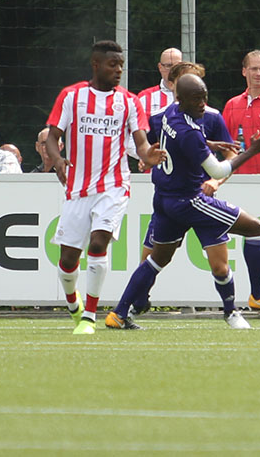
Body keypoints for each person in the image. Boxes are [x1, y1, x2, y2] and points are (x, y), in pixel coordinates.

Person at [123, 61, 260, 321]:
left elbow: (227, 154)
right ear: (176, 88)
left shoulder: (211, 116)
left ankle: (231, 312)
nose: (200, 97)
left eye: (200, 87)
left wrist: (215, 182)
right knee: (153, 258)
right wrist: (147, 156)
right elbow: (154, 145)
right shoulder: (162, 115)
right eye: (187, 82)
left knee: (219, 265)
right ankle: (136, 302)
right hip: (174, 198)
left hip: (200, 197)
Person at [46, 40, 165, 335]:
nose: (119, 70)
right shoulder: (72, 96)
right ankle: (73, 303)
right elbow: (52, 136)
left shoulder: (129, 101)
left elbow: (141, 144)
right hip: (77, 188)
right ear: (96, 64)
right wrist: (58, 159)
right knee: (67, 261)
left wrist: (149, 156)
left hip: (114, 185)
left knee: (99, 244)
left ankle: (89, 315)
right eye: (113, 64)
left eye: (121, 65)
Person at [221, 50, 260, 174]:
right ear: (244, 71)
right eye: (254, 69)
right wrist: (229, 149)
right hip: (237, 178)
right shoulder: (232, 104)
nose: (258, 73)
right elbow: (222, 142)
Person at [137, 47, 182, 117]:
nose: (173, 70)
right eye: (169, 66)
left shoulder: (193, 96)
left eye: (177, 66)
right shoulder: (144, 97)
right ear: (160, 67)